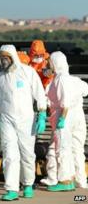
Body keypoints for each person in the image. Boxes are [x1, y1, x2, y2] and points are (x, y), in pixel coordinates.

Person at [0, 45, 47, 201]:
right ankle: (11, 189)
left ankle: (28, 184)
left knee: (27, 154)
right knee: (9, 154)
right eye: (1, 56)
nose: (3, 60)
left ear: (12, 56)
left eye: (6, 56)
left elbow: (39, 93)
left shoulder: (27, 72)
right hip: (6, 118)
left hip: (26, 119)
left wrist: (42, 113)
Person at [42, 51, 88, 191]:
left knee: (62, 148)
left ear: (56, 63)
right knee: (77, 149)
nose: (48, 65)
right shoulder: (74, 80)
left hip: (64, 116)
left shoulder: (60, 79)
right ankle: (81, 180)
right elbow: (85, 91)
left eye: (50, 62)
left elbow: (65, 101)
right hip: (78, 116)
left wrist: (62, 118)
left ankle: (65, 181)